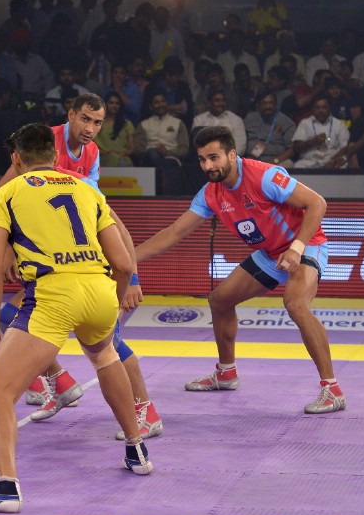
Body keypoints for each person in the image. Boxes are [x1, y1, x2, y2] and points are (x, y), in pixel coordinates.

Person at [0, 124, 152, 513]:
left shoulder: (4, 195)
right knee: (105, 355)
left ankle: (5, 489)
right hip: (98, 289)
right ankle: (137, 450)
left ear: (16, 159)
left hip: (52, 295)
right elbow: (125, 262)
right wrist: (111, 298)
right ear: (56, 157)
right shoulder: (86, 189)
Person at [134, 126, 345, 414]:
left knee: (295, 304)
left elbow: (316, 203)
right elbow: (172, 234)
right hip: (270, 254)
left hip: (306, 245)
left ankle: (332, 389)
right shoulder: (209, 194)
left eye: (214, 158)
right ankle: (226, 372)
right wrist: (127, 259)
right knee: (219, 300)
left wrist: (297, 247)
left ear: (232, 154)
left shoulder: (264, 176)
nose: (208, 166)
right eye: (202, 159)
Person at [0, 94, 159, 439]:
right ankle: (60, 382)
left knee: (112, 342)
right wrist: (7, 252)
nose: (91, 129)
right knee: (13, 316)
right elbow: (2, 193)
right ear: (70, 117)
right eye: (85, 120)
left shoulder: (91, 153)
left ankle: (145, 411)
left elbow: (109, 219)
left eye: (98, 123)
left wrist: (133, 276)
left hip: (78, 264)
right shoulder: (43, 143)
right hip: (55, 263)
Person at [291, 94, 350, 168]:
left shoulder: (339, 124)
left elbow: (345, 148)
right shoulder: (305, 123)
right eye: (317, 108)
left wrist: (332, 161)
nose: (320, 110)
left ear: (330, 108)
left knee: (343, 165)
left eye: (324, 107)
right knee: (298, 166)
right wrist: (313, 142)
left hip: (333, 161)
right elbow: (297, 148)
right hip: (309, 162)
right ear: (313, 109)